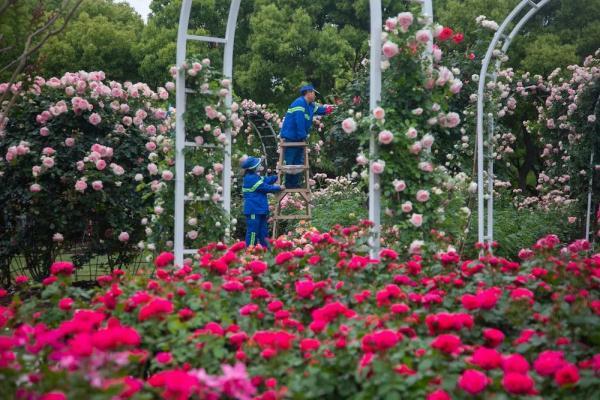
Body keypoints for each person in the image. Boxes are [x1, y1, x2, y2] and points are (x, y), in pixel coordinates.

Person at [279, 84, 334, 188]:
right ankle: (288, 184)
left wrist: (332, 109)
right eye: (314, 93)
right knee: (290, 162)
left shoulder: (310, 105)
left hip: (298, 138)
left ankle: (294, 184)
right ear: (308, 93)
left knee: (298, 163)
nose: (315, 96)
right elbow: (298, 121)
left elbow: (321, 110)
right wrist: (303, 135)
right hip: (291, 138)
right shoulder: (299, 103)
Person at [241, 156, 283, 248]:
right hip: (253, 210)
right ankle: (250, 250)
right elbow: (265, 187)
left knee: (263, 232)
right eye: (259, 164)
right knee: (253, 231)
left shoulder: (256, 177)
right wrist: (278, 187)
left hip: (260, 210)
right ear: (254, 167)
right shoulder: (250, 179)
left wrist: (277, 176)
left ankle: (266, 250)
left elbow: (267, 180)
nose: (260, 165)